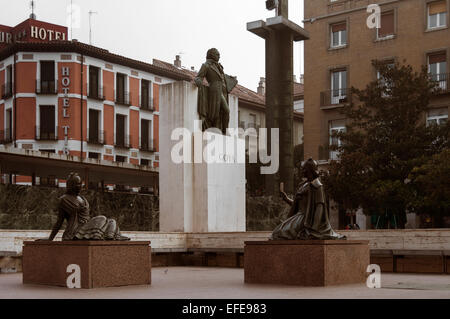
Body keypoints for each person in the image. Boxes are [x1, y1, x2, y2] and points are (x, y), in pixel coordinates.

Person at [271, 158, 346, 240]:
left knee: (282, 233)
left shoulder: (317, 186)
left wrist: (314, 228)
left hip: (307, 219)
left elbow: (319, 207)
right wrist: (286, 198)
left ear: (309, 170)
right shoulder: (303, 185)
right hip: (298, 217)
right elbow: (298, 205)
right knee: (277, 232)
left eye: (304, 169)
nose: (302, 171)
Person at [41, 173, 129, 241]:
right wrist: (50, 238)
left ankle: (111, 237)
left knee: (112, 221)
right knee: (102, 218)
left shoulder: (82, 198)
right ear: (70, 185)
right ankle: (98, 236)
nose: (80, 186)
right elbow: (59, 222)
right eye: (77, 184)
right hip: (76, 232)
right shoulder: (64, 199)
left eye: (80, 184)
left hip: (87, 227)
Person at [195, 48, 236, 134]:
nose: (219, 56)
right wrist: (198, 82)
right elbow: (198, 77)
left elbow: (222, 77)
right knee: (226, 110)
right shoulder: (206, 65)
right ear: (212, 55)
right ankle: (225, 132)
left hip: (224, 92)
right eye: (217, 54)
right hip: (215, 91)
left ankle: (220, 132)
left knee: (220, 114)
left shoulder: (219, 66)